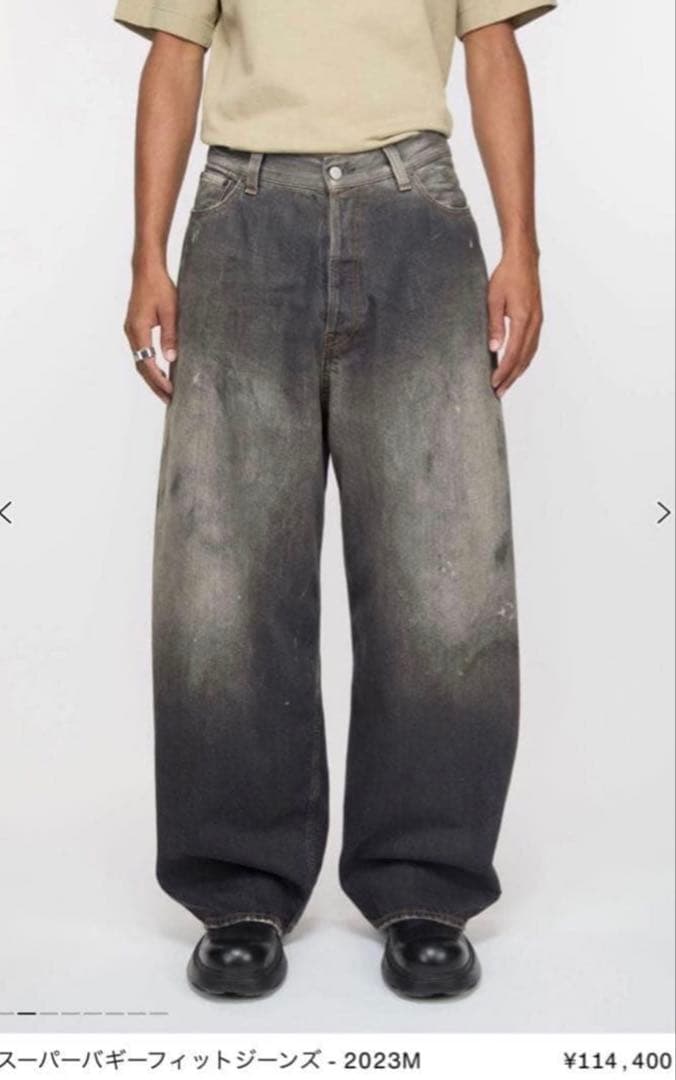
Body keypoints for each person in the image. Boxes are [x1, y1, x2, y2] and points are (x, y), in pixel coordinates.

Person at [114, 0, 556, 1001]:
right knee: (224, 569)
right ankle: (237, 889)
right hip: (243, 210)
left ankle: (426, 886)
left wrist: (521, 247)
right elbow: (175, 55)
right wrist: (148, 255)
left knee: (441, 565)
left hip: (414, 208)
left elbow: (491, 47)